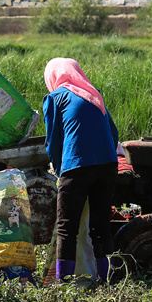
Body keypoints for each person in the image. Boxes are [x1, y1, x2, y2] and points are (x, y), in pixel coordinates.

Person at [43, 58, 120, 283]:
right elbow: (113, 134)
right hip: (107, 165)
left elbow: (52, 142)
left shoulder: (55, 98)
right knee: (101, 226)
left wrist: (59, 171)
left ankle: (63, 283)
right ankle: (109, 281)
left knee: (67, 228)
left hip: (76, 167)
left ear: (53, 77)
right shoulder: (93, 94)